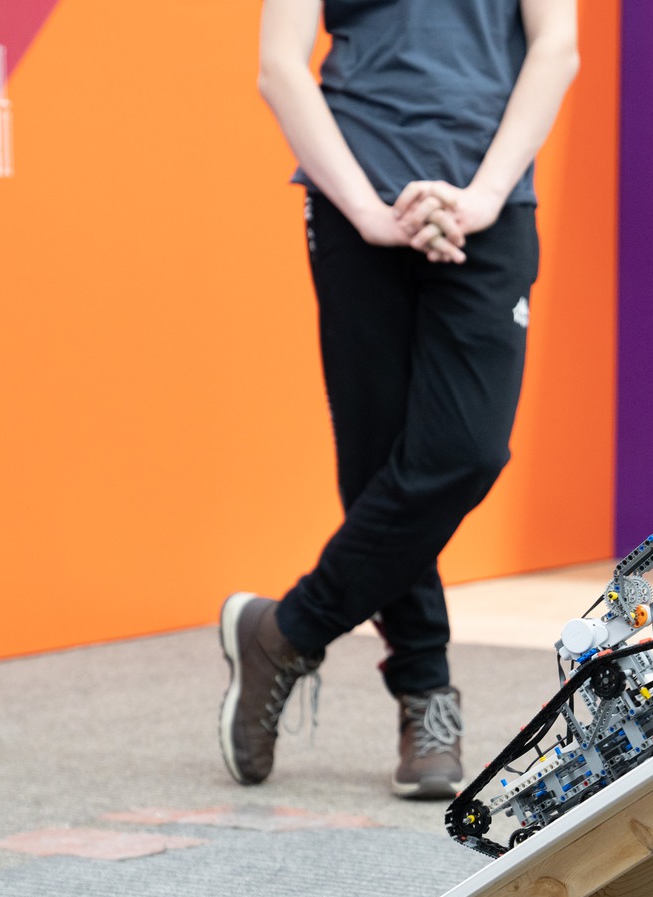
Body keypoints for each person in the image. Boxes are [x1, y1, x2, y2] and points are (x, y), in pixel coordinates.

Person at [217, 0, 580, 799]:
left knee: (466, 451)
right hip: (353, 201)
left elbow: (556, 46)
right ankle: (424, 691)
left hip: (491, 200)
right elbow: (280, 66)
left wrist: (484, 195)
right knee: (377, 458)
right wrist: (369, 213)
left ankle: (288, 629)